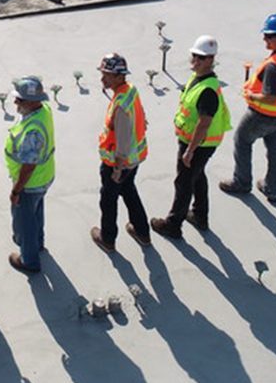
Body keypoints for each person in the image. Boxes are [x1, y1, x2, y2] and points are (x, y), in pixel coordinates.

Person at [220, 12, 276, 204]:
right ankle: (273, 189)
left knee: (242, 141)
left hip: (262, 115)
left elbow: (270, 97)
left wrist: (251, 95)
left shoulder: (273, 66)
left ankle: (242, 182)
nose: (265, 39)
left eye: (269, 36)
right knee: (275, 148)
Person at [151, 36, 231, 238]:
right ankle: (200, 215)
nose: (195, 61)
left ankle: (173, 225)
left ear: (211, 60)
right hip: (196, 143)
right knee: (197, 176)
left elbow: (204, 123)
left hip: (198, 144)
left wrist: (190, 151)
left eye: (201, 58)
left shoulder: (207, 91)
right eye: (194, 56)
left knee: (184, 182)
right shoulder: (199, 79)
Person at [92, 53, 151, 252]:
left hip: (118, 164)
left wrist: (117, 168)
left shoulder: (121, 105)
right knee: (129, 191)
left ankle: (107, 238)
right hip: (134, 160)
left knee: (108, 200)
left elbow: (123, 141)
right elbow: (141, 115)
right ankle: (142, 231)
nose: (102, 78)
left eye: (107, 75)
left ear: (119, 77)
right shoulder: (130, 91)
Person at [5, 77, 55, 275]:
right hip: (44, 178)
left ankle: (29, 260)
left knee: (24, 221)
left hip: (30, 183)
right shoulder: (44, 111)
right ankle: (38, 244)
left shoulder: (33, 131)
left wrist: (16, 190)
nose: (16, 103)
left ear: (32, 102)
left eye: (20, 100)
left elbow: (28, 165)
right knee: (36, 212)